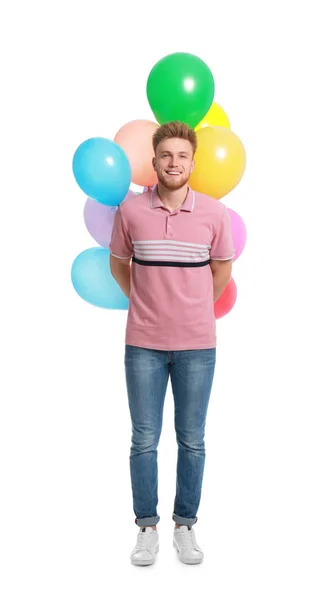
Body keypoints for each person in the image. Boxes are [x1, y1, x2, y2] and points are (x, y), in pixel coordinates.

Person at [109, 121, 235, 566]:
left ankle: (186, 525)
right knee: (144, 438)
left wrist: (193, 306)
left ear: (193, 162)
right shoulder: (131, 212)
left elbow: (221, 271)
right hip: (142, 342)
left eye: (182, 156)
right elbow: (118, 263)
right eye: (166, 156)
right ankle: (147, 529)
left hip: (198, 345)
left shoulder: (214, 215)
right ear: (155, 161)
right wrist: (144, 301)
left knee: (192, 439)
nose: (174, 163)